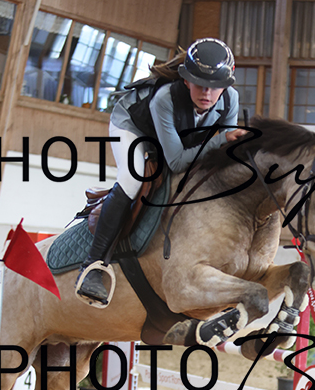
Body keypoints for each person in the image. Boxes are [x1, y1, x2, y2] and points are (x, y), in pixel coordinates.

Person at [76, 38, 246, 306]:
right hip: (133, 127)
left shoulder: (230, 99)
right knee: (133, 178)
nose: (207, 92)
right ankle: (93, 266)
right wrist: (222, 140)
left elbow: (220, 155)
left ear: (226, 86)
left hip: (176, 137)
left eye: (215, 86)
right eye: (199, 83)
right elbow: (177, 161)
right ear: (186, 80)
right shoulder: (165, 98)